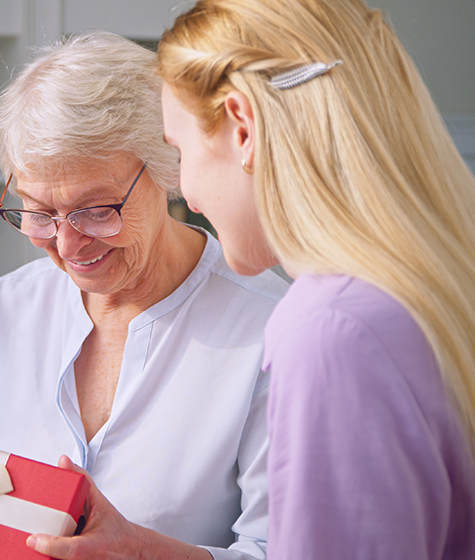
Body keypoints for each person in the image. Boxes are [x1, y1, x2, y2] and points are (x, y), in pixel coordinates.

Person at [0, 31, 288, 560]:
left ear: (170, 168)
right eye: (38, 211)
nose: (65, 243)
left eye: (96, 209)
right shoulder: (2, 312)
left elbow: (283, 550)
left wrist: (144, 554)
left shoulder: (270, 328)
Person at [149, 0, 475, 559]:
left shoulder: (332, 330)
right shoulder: (428, 291)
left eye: (178, 151)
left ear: (243, 129)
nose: (184, 191)